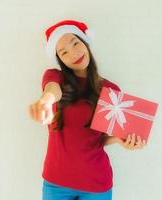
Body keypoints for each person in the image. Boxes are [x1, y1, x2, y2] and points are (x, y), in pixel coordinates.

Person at [29, 19, 146, 200]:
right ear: (60, 60)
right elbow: (53, 90)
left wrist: (119, 140)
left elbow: (97, 139)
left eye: (75, 43)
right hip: (56, 183)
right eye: (64, 52)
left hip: (96, 183)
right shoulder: (55, 77)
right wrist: (46, 99)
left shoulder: (110, 90)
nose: (74, 53)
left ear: (85, 42)